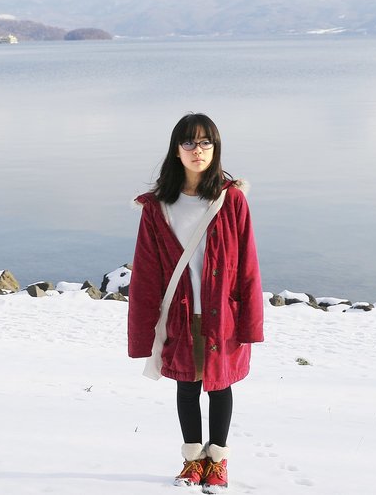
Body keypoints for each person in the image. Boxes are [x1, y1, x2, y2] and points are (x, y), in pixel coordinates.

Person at [127, 112, 265, 492]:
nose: (198, 150)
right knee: (187, 386)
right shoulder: (157, 206)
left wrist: (251, 323)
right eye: (189, 142)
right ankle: (192, 462)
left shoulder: (231, 199)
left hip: (225, 314)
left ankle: (217, 462)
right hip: (181, 316)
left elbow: (248, 266)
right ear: (176, 150)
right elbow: (146, 275)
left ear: (215, 149)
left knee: (220, 386)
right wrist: (141, 335)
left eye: (206, 142)